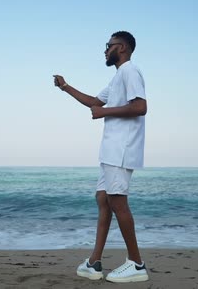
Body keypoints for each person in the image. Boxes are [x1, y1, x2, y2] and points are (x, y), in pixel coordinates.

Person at [53, 31, 148, 283]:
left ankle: (137, 263)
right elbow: (94, 101)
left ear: (123, 48)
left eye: (109, 46)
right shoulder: (118, 77)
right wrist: (65, 87)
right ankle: (94, 262)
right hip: (111, 149)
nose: (105, 50)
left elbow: (140, 107)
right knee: (103, 199)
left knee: (117, 201)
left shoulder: (130, 71)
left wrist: (104, 112)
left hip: (122, 148)